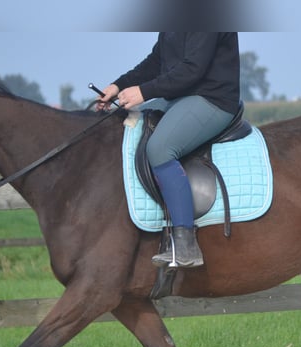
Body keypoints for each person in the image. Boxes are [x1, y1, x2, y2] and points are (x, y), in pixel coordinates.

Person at [96, 33, 241, 268]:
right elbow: (157, 60)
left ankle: (186, 244)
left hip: (212, 99)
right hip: (178, 98)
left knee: (160, 149)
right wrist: (118, 86)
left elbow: (192, 69)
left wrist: (143, 92)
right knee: (122, 124)